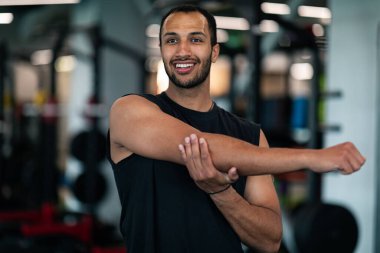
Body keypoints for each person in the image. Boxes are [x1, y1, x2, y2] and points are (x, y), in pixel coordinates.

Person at [107, 4, 365, 253]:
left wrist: (221, 192)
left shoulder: (250, 135)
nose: (182, 51)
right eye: (172, 41)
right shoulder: (128, 111)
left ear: (215, 51)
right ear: (161, 49)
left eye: (195, 40)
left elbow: (269, 241)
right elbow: (200, 146)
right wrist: (312, 157)